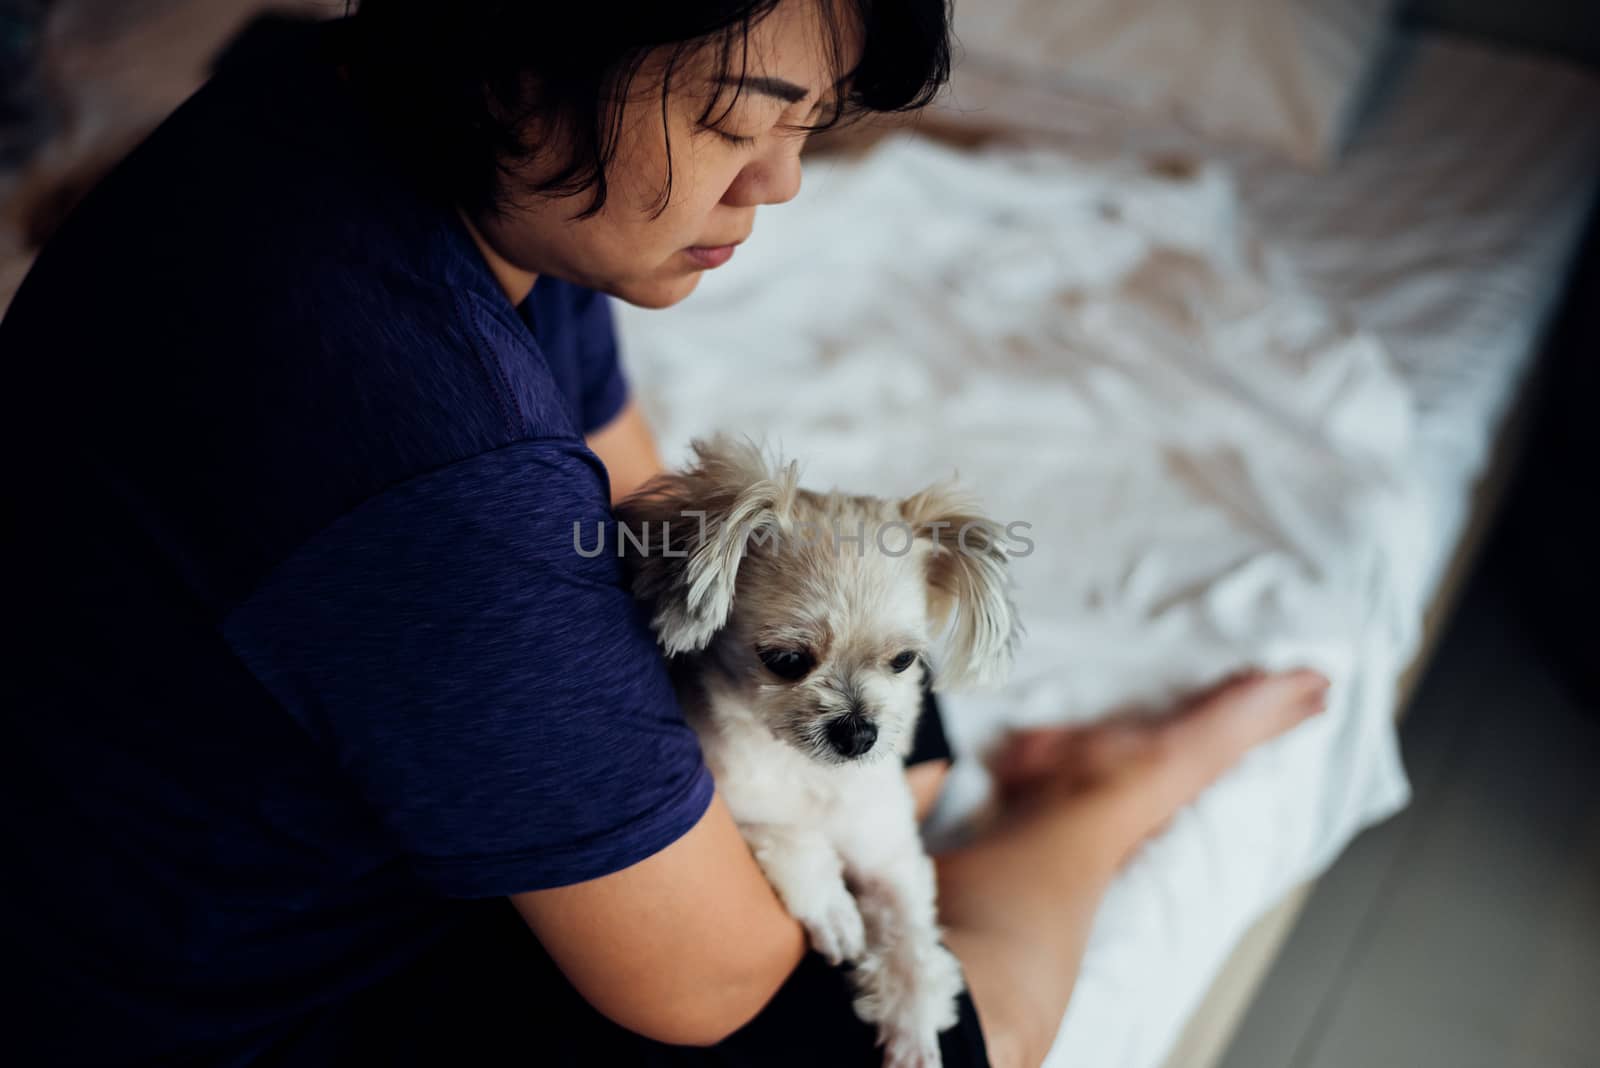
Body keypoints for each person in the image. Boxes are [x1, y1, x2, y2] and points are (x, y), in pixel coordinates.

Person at [0, 3, 1330, 1066]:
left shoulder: (367, 128)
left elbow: (638, 508)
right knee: (931, 1036)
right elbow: (703, 986)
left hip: (162, 831)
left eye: (810, 127)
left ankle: (941, 800)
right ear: (522, 58)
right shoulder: (430, 455)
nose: (782, 181)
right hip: (221, 1005)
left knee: (885, 738)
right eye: (734, 120)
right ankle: (1096, 807)